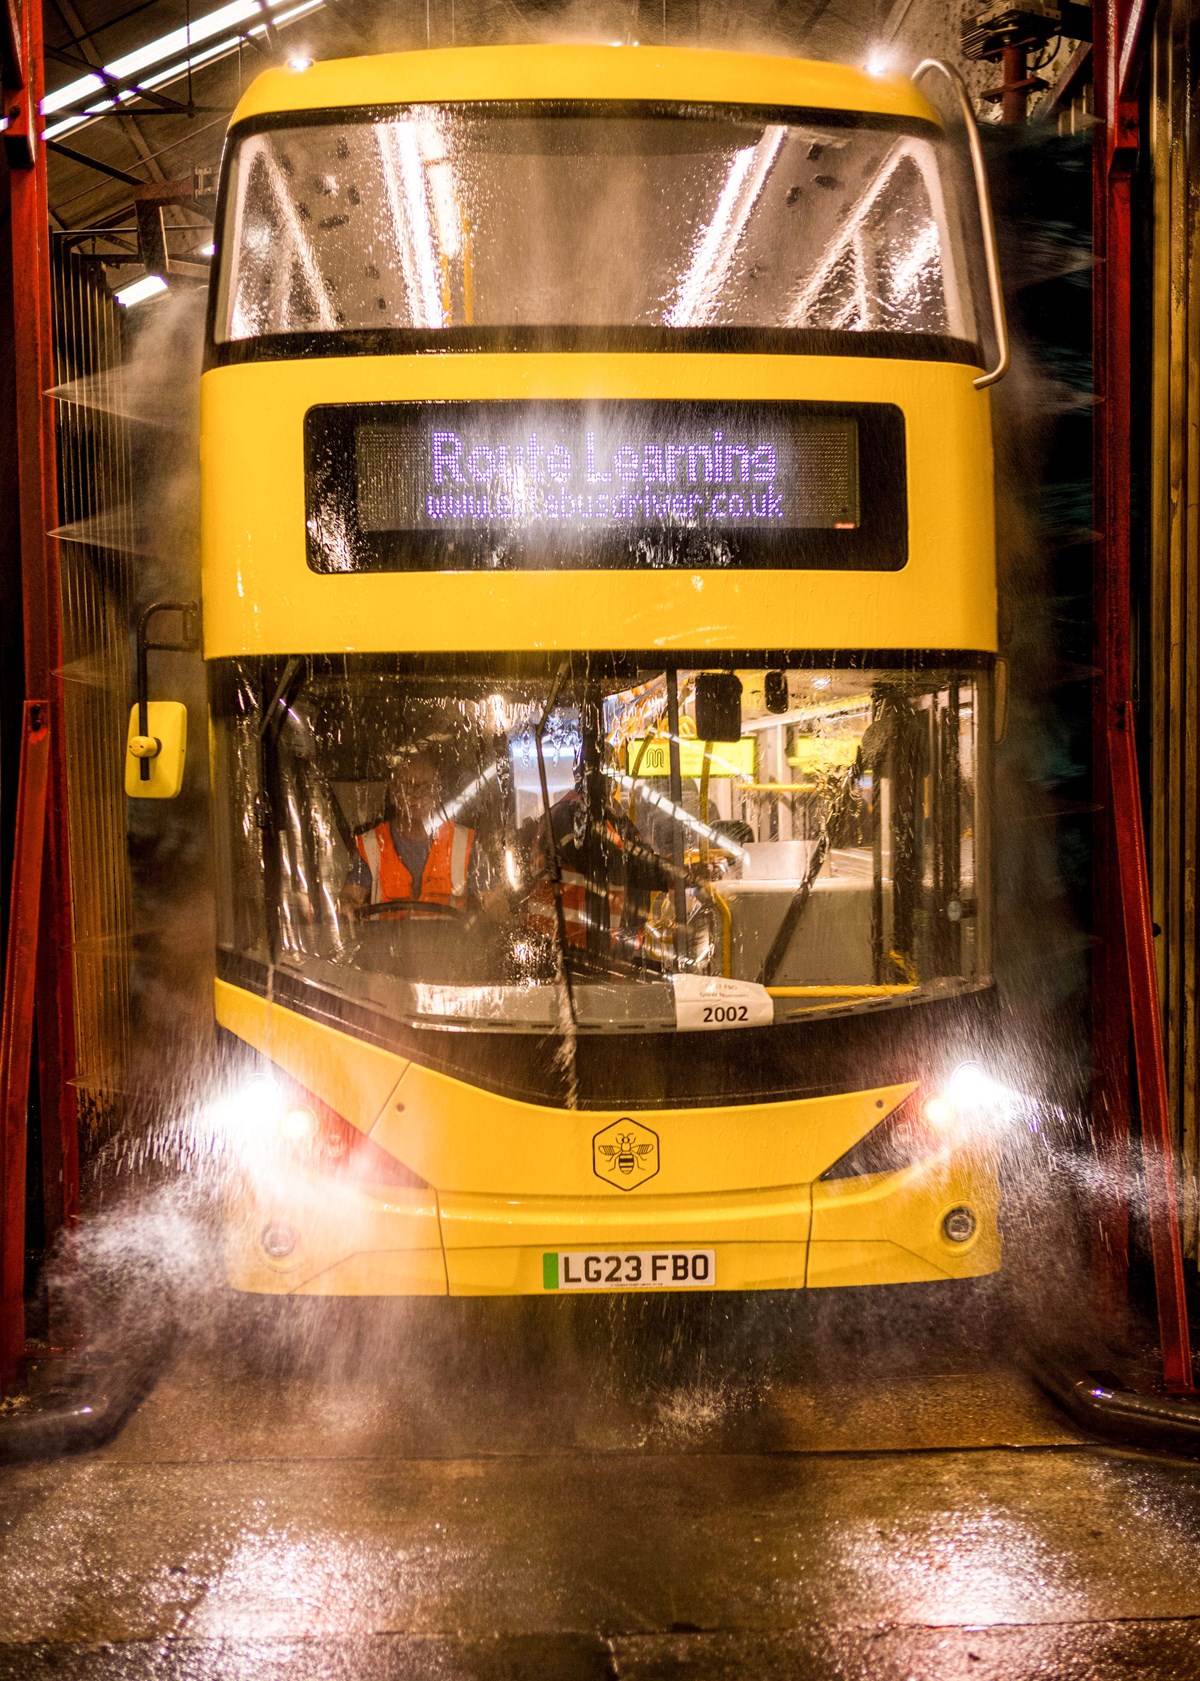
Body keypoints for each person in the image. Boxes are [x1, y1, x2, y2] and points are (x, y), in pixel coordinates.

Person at [343, 746, 502, 918]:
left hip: (450, 944)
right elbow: (349, 897)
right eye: (408, 787)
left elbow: (497, 905)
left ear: (437, 792)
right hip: (387, 944)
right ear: (393, 793)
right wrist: (347, 906)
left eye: (426, 787)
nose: (417, 796)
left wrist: (487, 927)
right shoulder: (372, 846)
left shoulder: (464, 845)